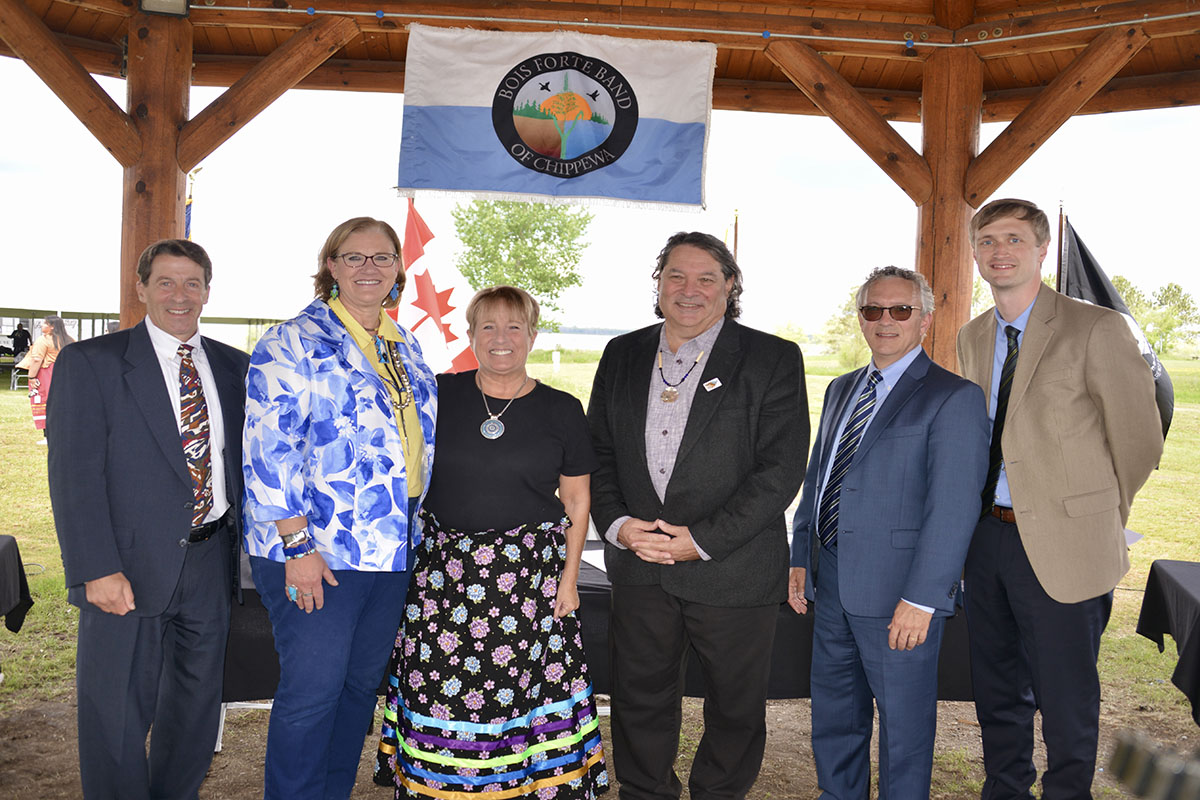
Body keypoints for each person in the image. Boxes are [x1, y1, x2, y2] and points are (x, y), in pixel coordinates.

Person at [587, 231, 808, 800]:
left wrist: (701, 541)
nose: (689, 290)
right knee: (639, 699)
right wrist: (617, 525)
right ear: (658, 284)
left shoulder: (772, 358)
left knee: (735, 706)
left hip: (732, 568)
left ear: (730, 286)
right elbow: (599, 454)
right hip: (639, 564)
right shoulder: (622, 353)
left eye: (706, 278)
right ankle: (646, 792)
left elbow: (780, 471)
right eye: (675, 277)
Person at [958, 198, 1164, 799]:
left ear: (1042, 249)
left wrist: (1096, 516)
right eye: (988, 240)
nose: (1000, 251)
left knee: (1066, 694)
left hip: (1067, 544)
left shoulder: (1094, 327)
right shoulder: (973, 336)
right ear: (974, 253)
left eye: (1014, 239)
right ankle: (1006, 788)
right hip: (986, 539)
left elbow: (1139, 440)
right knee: (996, 689)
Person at [377, 285, 610, 799]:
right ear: (470, 335)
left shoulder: (561, 409)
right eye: (488, 326)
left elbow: (576, 502)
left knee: (519, 696)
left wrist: (569, 580)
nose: (500, 338)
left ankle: (523, 786)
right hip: (443, 575)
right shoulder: (438, 395)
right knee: (440, 687)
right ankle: (439, 786)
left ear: (531, 335)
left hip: (528, 581)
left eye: (513, 327)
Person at [46, 239, 250, 799]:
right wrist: (96, 568)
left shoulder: (236, 367)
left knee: (194, 712)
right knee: (115, 713)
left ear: (208, 291)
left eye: (191, 283)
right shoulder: (91, 364)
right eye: (165, 282)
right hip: (125, 569)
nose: (179, 295)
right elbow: (74, 477)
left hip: (210, 562)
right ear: (141, 289)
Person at [243, 216, 437, 800]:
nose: (369, 269)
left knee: (357, 689)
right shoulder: (293, 340)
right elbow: (266, 451)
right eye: (354, 258)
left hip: (394, 547)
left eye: (381, 258)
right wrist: (296, 547)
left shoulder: (404, 343)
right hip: (319, 550)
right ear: (331, 266)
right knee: (313, 692)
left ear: (399, 268)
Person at [789, 266, 989, 799]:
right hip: (830, 586)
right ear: (861, 318)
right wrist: (800, 558)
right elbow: (820, 478)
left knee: (903, 733)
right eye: (873, 310)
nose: (885, 320)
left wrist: (922, 600)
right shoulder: (841, 389)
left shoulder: (953, 398)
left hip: (899, 595)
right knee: (834, 721)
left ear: (924, 320)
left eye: (901, 310)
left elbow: (954, 509)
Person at [17, 316, 73, 440]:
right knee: (64, 403)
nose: (42, 325)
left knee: (44, 402)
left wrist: (32, 377)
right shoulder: (69, 339)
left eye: (44, 323)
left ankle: (48, 436)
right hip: (66, 373)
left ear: (51, 327)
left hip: (47, 373)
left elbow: (37, 359)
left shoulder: (43, 340)